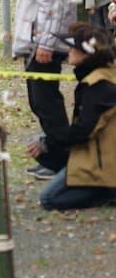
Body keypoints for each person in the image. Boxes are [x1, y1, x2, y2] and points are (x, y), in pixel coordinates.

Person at [13, 0, 82, 179]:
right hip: (35, 43)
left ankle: (63, 161)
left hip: (45, 44)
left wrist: (47, 42)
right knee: (39, 101)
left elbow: (56, 6)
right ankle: (54, 158)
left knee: (46, 101)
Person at [29, 24, 116, 210]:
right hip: (98, 151)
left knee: (49, 199)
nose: (68, 51)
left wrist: (49, 143)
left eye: (73, 47)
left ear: (86, 54)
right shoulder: (99, 78)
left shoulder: (98, 86)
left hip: (103, 161)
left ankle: (106, 190)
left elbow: (83, 132)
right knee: (45, 148)